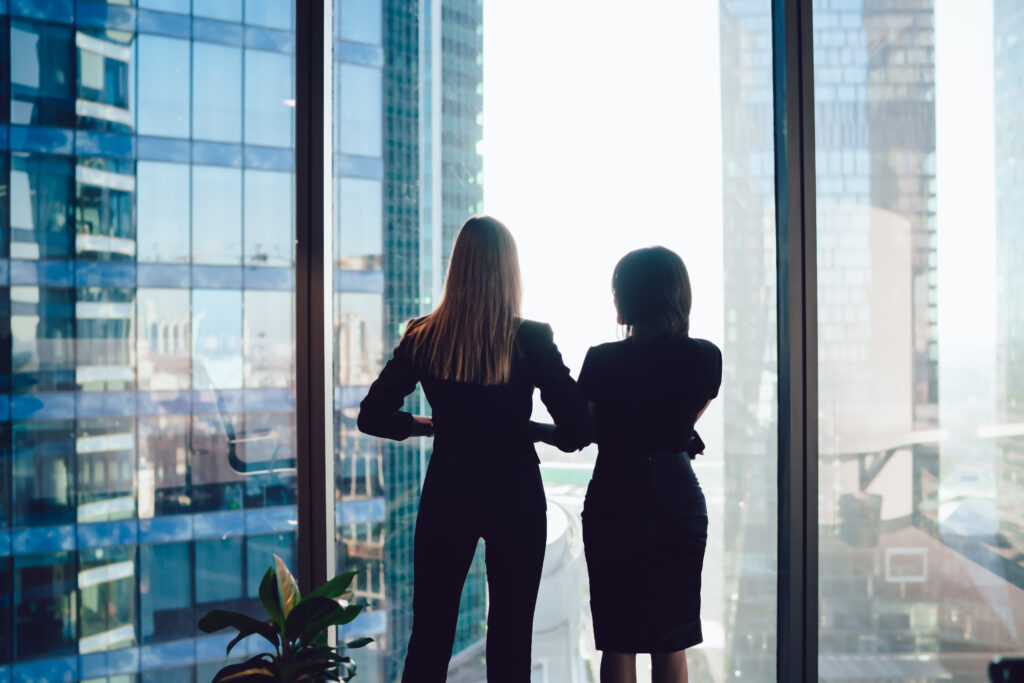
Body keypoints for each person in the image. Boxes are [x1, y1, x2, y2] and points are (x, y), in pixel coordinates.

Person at [357, 216, 588, 683]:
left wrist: (429, 425)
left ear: (457, 267)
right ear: (510, 270)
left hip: (449, 493)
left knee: (430, 639)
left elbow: (372, 416)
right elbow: (578, 428)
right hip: (516, 496)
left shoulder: (423, 336)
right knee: (510, 640)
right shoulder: (532, 338)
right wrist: (530, 430)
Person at [579, 246, 721, 683]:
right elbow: (682, 419)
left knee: (619, 638)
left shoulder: (602, 360)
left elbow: (585, 430)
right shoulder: (705, 357)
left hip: (615, 493)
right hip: (677, 495)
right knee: (671, 639)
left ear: (632, 297)